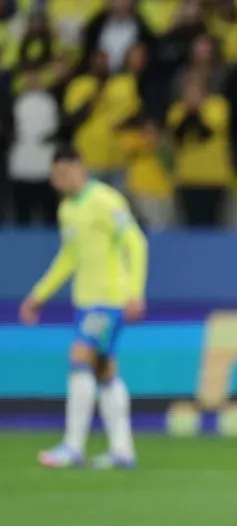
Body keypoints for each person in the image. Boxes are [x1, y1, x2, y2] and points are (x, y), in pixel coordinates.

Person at [19, 145, 149, 470]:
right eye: (54, 176)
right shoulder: (68, 209)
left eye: (63, 173)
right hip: (86, 302)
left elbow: (136, 242)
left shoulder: (105, 201)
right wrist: (39, 295)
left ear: (79, 168)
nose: (58, 181)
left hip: (108, 301)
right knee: (104, 370)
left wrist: (135, 292)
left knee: (79, 357)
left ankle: (73, 446)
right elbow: (69, 258)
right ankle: (122, 450)